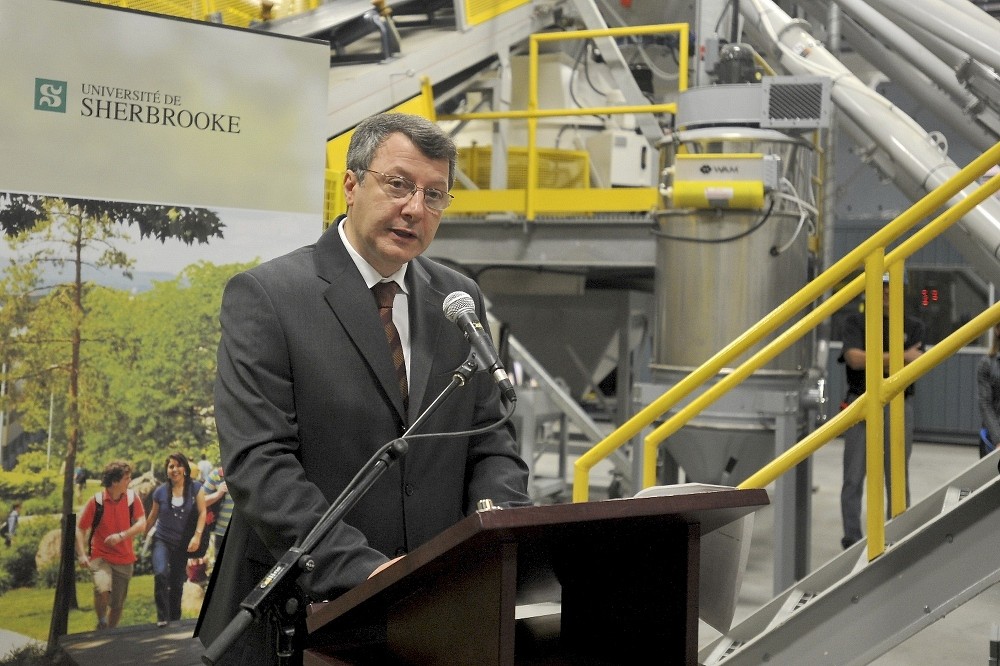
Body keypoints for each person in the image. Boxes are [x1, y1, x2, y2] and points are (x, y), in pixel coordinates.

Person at [196, 112, 530, 665]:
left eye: (435, 195)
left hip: (434, 616)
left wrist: (491, 541)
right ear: (352, 184)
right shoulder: (268, 296)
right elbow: (259, 462)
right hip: (304, 619)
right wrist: (368, 572)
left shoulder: (457, 299)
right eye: (398, 184)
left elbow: (491, 443)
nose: (415, 209)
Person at [838, 272, 925, 549]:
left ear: (903, 291)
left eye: (893, 287)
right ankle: (852, 539)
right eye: (882, 287)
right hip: (860, 403)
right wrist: (899, 357)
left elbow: (916, 364)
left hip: (898, 405)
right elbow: (853, 359)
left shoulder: (914, 325)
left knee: (897, 474)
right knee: (853, 476)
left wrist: (873, 360)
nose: (887, 293)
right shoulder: (856, 322)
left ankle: (897, 537)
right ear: (872, 291)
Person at [74, 462, 146, 630]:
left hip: (125, 558)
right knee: (102, 589)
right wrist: (82, 554)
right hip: (101, 556)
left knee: (117, 604)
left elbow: (142, 523)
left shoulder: (131, 498)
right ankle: (102, 622)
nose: (130, 481)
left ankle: (110, 633)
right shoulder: (96, 502)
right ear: (115, 482)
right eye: (127, 478)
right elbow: (80, 528)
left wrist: (122, 536)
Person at [144, 451, 207, 627]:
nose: (175, 469)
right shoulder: (160, 492)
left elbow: (203, 512)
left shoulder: (195, 488)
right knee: (161, 573)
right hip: (162, 540)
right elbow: (152, 517)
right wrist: (142, 535)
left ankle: (175, 620)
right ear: (167, 470)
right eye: (171, 466)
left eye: (178, 465)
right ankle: (163, 617)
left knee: (177, 583)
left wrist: (197, 536)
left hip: (182, 543)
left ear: (185, 469)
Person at [975, 322, 1000, 457]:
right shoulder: (987, 364)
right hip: (993, 439)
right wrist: (998, 439)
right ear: (997, 330)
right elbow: (985, 404)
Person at [201, 465, 232, 558]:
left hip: (244, 534)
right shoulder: (217, 475)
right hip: (221, 533)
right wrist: (218, 494)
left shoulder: (250, 473)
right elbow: (200, 502)